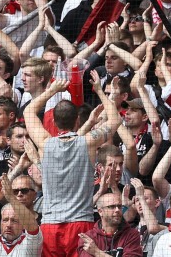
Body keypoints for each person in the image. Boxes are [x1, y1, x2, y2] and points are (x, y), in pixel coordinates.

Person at [26, 76, 120, 257]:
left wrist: (52, 90)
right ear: (77, 120)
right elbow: (115, 120)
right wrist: (99, 91)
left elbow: (29, 111)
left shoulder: (45, 142)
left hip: (50, 225)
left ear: (53, 122)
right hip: (81, 223)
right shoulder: (88, 142)